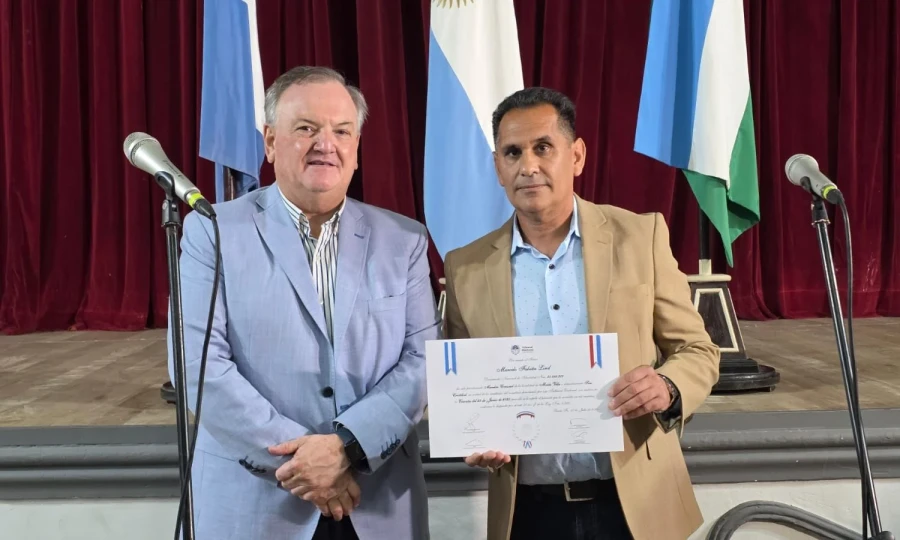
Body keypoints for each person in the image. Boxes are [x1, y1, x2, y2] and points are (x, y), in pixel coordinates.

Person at [170, 66, 439, 540]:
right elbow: (197, 365)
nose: (325, 144)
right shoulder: (211, 232)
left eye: (342, 131)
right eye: (306, 128)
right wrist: (305, 463)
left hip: (376, 501)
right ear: (271, 142)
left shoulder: (405, 239)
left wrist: (346, 448)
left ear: (357, 146)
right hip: (255, 506)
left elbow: (423, 362)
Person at [442, 87, 720, 540]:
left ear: (576, 156)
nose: (528, 166)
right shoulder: (465, 268)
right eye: (512, 152)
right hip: (527, 513)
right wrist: (474, 437)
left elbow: (698, 350)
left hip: (636, 505)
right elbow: (464, 388)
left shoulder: (641, 236)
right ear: (497, 167)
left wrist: (667, 386)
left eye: (543, 147)